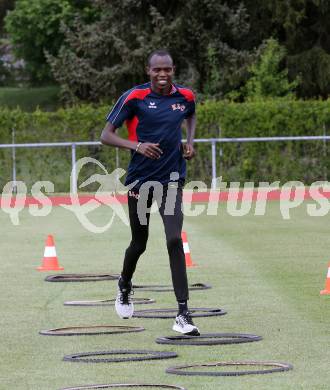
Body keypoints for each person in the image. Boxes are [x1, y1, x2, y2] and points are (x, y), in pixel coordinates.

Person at [100, 49, 199, 335]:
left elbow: (191, 116)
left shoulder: (186, 97)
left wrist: (190, 142)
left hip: (171, 179)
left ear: (173, 69)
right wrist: (137, 146)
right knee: (139, 242)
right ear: (148, 71)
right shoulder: (134, 97)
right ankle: (124, 284)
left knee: (173, 239)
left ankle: (183, 312)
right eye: (157, 70)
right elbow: (105, 135)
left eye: (167, 69)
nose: (163, 74)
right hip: (140, 180)